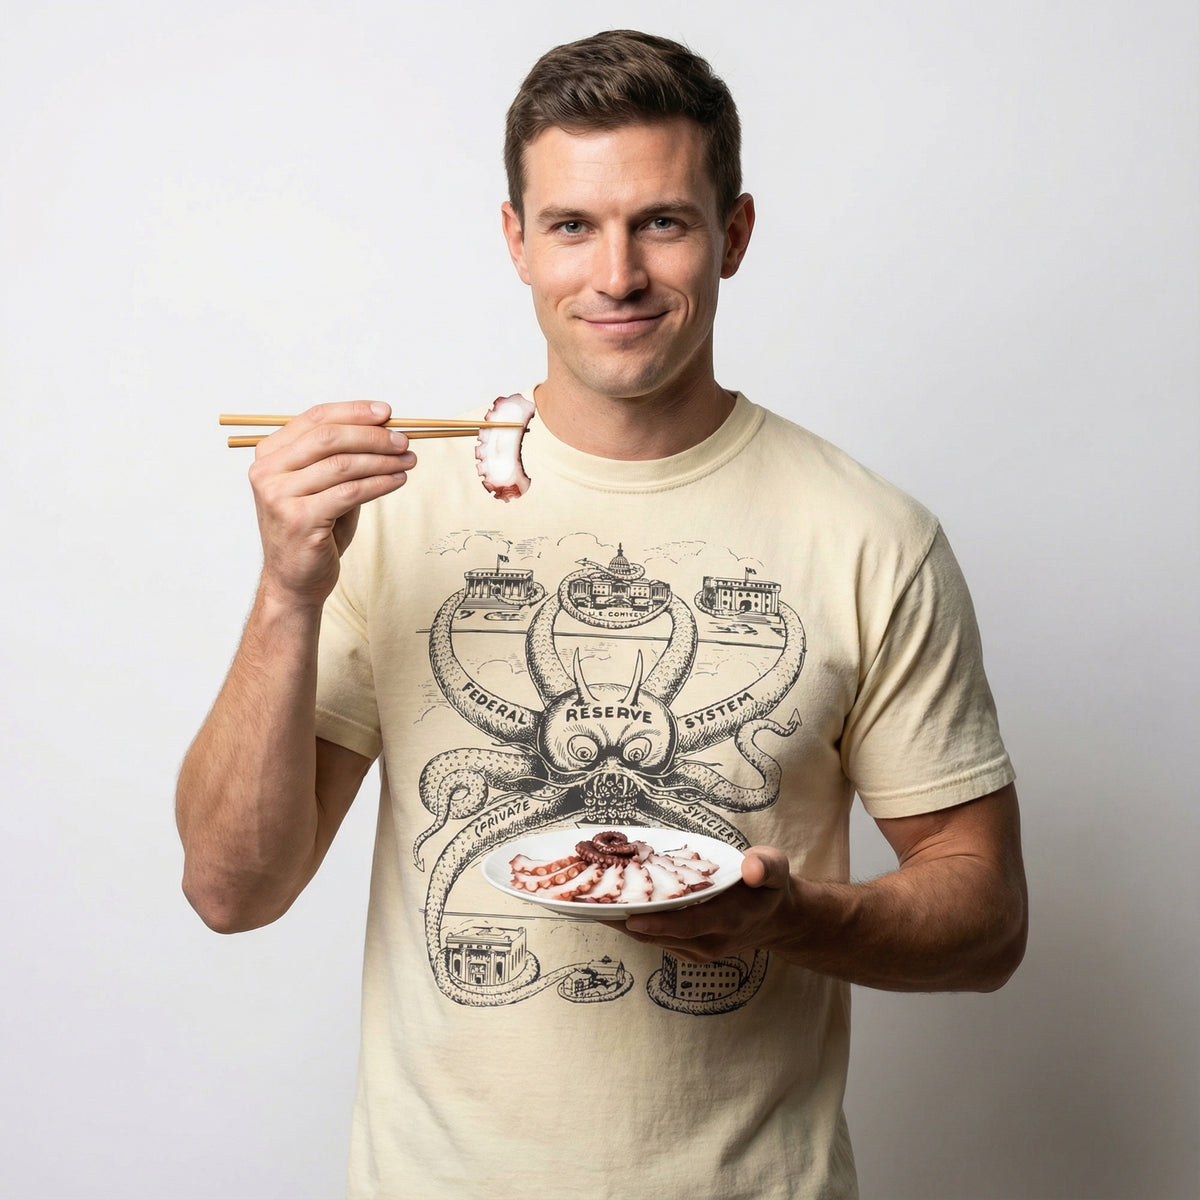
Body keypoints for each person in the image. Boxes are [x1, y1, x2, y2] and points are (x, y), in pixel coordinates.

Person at [177, 28, 1027, 1199]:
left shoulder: (870, 534)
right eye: (573, 225)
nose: (616, 275)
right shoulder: (399, 511)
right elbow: (233, 889)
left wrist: (791, 919)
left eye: (663, 223)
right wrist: (286, 592)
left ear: (733, 235)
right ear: (517, 241)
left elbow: (987, 917)